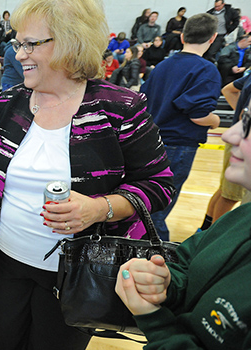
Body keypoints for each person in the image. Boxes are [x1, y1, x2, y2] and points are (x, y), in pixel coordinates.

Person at [0, 0, 174, 349]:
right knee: (6, 340)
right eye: (18, 44)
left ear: (70, 43)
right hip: (7, 259)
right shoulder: (10, 102)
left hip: (77, 270)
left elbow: (159, 184)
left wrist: (101, 208)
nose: (19, 54)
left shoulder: (119, 107)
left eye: (31, 44)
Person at [116, 98, 251, 349]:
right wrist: (166, 282)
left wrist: (155, 320)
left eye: (248, 124)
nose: (229, 135)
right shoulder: (240, 217)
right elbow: (186, 261)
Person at [141, 13, 222, 242]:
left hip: (150, 140)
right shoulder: (206, 70)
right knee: (161, 205)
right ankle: (159, 251)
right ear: (213, 37)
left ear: (184, 36)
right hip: (178, 145)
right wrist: (215, 121)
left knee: (151, 196)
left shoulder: (162, 66)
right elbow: (198, 115)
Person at [201, 72, 251, 230]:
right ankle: (212, 236)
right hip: (244, 142)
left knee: (225, 191)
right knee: (231, 195)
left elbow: (228, 89)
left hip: (241, 138)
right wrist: (244, 117)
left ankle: (205, 229)